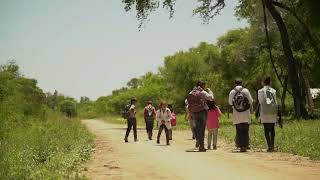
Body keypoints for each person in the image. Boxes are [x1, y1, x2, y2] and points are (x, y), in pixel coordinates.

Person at [187, 80, 214, 152]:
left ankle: (198, 140)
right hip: (202, 112)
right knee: (202, 129)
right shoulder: (203, 92)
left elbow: (187, 102)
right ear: (203, 85)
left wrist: (190, 112)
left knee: (197, 127)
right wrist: (210, 91)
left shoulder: (191, 92)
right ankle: (201, 145)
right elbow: (211, 98)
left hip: (194, 112)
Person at [228, 78, 253, 152]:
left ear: (235, 83)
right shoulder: (246, 90)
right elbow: (251, 101)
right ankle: (245, 145)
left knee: (239, 130)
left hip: (237, 113)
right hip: (246, 113)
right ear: (242, 83)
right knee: (245, 130)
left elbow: (230, 102)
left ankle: (240, 145)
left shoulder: (232, 91)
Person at [258, 77, 278, 152]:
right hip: (273, 111)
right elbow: (276, 102)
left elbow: (260, 102)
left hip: (264, 111)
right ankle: (272, 145)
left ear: (263, 82)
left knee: (266, 129)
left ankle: (269, 146)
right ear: (270, 82)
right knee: (272, 129)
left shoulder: (260, 91)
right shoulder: (273, 90)